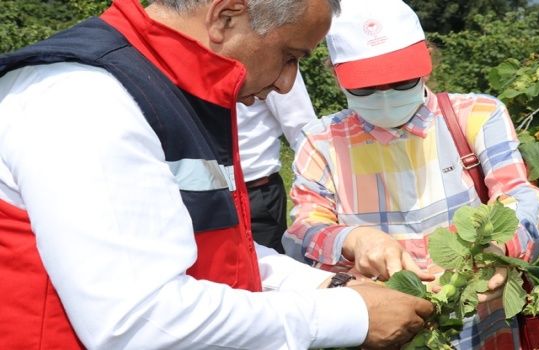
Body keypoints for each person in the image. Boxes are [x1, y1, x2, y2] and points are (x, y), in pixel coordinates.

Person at [0, 0, 435, 349]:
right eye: (288, 57)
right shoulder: (84, 101)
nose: (287, 85)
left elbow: (217, 252)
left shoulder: (174, 93)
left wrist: (330, 282)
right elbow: (138, 324)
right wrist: (349, 317)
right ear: (226, 17)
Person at [283, 0, 539, 348]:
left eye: (401, 81)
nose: (385, 96)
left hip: (480, 321)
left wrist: (501, 247)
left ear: (427, 61)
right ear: (337, 76)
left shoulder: (477, 115)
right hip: (382, 327)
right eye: (365, 87)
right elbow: (305, 227)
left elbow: (519, 195)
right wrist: (356, 239)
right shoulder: (320, 141)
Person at [237, 70, 315, 253]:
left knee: (266, 272)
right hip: (199, 191)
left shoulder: (274, 56)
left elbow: (302, 129)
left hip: (255, 192)